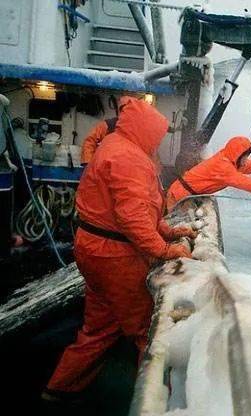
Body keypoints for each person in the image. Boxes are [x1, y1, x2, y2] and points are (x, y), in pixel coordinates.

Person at [43, 98, 195, 402]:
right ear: (146, 130)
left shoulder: (116, 146)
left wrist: (170, 231)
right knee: (146, 331)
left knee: (99, 326)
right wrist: (167, 250)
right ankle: (151, 401)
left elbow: (134, 211)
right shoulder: (130, 159)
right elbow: (133, 219)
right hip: (115, 257)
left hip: (94, 249)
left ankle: (59, 389)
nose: (159, 140)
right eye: (158, 133)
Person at [165, 136, 251, 210]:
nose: (246, 159)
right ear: (239, 154)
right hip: (179, 196)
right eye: (245, 156)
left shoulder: (230, 160)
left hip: (184, 193)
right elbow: (243, 182)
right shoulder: (224, 167)